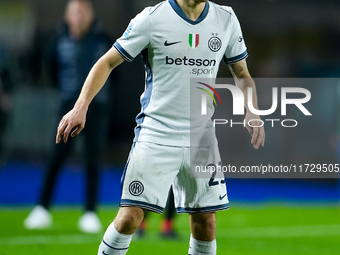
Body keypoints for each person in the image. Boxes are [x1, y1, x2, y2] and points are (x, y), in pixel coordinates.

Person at [56, 0, 265, 254]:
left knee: (206, 223)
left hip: (201, 139)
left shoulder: (226, 18)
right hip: (156, 133)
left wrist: (252, 111)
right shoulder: (152, 18)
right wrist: (81, 107)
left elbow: (242, 73)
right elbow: (107, 62)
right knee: (129, 218)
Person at [24, 0, 113, 233]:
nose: (80, 15)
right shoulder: (58, 42)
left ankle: (90, 212)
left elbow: (115, 73)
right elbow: (52, 70)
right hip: (67, 109)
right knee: (56, 157)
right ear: (67, 16)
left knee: (93, 160)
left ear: (91, 15)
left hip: (97, 109)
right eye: (75, 11)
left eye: (84, 11)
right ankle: (42, 209)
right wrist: (68, 97)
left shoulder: (104, 41)